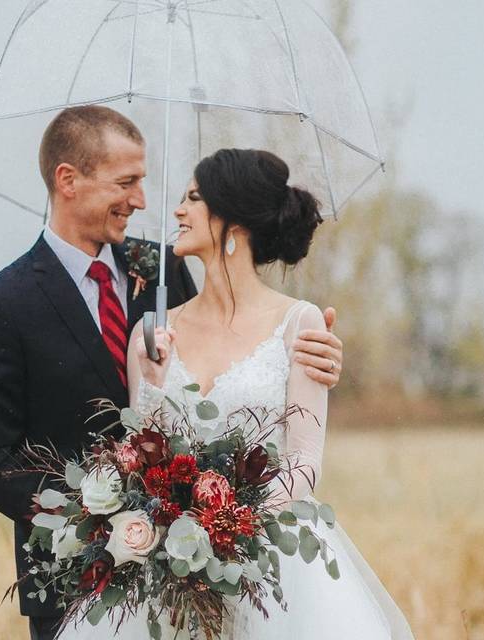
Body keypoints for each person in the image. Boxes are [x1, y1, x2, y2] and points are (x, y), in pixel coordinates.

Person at [0, 107, 345, 640]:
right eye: (127, 182)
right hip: (80, 576)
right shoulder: (2, 303)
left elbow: (234, 357)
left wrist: (317, 361)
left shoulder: (164, 270)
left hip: (238, 569)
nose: (142, 200)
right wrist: (102, 520)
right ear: (68, 180)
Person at [60, 149, 414, 639]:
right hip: (168, 561)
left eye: (194, 198)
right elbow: (140, 449)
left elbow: (305, 461)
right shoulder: (152, 330)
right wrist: (153, 381)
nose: (179, 211)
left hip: (272, 558)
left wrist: (229, 526)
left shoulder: (299, 322)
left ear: (236, 221)